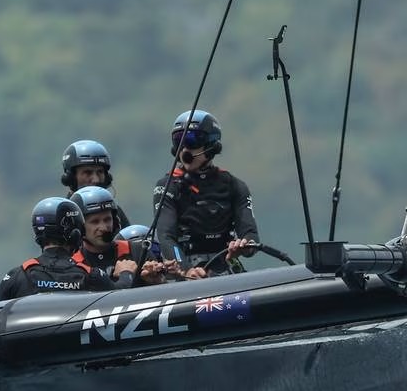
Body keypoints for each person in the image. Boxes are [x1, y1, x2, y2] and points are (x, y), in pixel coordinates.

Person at [149, 110, 259, 279]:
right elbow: (165, 236)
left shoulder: (235, 185)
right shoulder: (167, 186)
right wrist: (186, 270)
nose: (185, 149)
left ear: (211, 145)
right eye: (179, 141)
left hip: (225, 267)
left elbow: (251, 235)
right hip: (186, 271)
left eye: (191, 141)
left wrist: (244, 246)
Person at [0, 197, 115, 300]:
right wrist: (124, 274)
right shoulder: (92, 276)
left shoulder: (17, 276)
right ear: (75, 233)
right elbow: (117, 300)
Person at [61, 139, 131, 228]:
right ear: (71, 178)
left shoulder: (115, 212)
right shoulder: (62, 215)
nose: (96, 180)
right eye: (87, 173)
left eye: (100, 172)